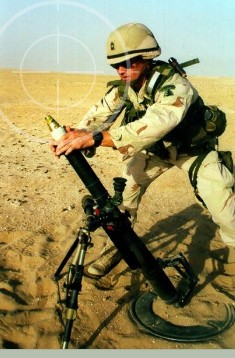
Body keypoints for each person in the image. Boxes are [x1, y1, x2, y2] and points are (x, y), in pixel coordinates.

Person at [50, 23, 235, 278]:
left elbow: (155, 124)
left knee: (225, 210)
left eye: (127, 62)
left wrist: (94, 139)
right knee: (121, 202)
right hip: (154, 153)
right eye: (116, 65)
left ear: (146, 58)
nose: (121, 70)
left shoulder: (175, 86)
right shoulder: (124, 88)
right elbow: (99, 116)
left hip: (193, 152)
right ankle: (118, 249)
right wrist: (76, 134)